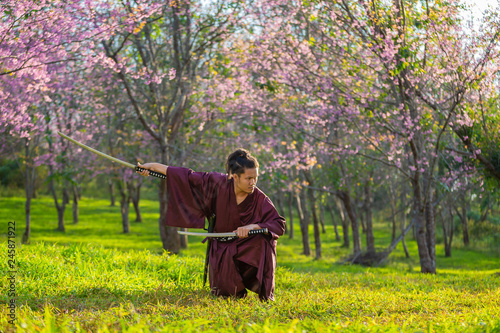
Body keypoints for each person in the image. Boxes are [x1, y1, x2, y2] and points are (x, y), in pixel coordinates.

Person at [137, 148, 286, 301]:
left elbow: (278, 224)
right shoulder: (217, 183)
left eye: (255, 178)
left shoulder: (260, 198)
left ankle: (264, 293)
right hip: (222, 249)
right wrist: (153, 167)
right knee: (227, 294)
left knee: (264, 240)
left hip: (246, 247)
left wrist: (254, 227)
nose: (252, 183)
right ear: (235, 177)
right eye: (248, 178)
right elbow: (186, 177)